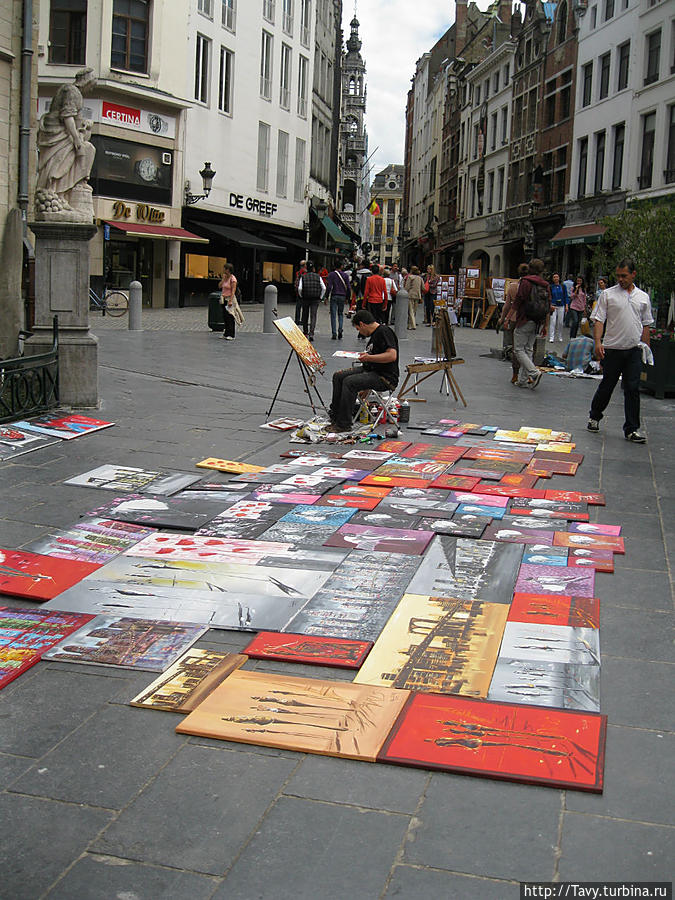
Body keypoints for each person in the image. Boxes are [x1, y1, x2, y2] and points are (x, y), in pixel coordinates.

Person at [587, 258, 653, 443]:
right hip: (613, 349)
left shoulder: (643, 297)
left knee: (632, 388)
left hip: (633, 350)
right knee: (608, 384)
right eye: (618, 276)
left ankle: (632, 429)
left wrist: (646, 348)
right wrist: (598, 342)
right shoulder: (608, 295)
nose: (620, 279)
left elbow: (646, 324)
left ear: (633, 274)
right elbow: (599, 320)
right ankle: (594, 415)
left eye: (624, 276)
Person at [36, 68, 97, 213]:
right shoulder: (72, 91)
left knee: (87, 149)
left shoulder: (70, 90)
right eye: (93, 83)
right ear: (87, 81)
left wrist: (83, 126)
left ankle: (69, 190)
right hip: (60, 134)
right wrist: (76, 139)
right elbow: (67, 116)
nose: (93, 87)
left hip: (64, 132)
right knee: (68, 156)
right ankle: (57, 192)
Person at [328, 309, 399, 431]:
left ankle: (344, 424)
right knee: (338, 376)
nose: (359, 332)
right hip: (371, 371)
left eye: (358, 329)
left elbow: (392, 355)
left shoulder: (384, 331)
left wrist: (369, 357)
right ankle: (336, 416)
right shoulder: (374, 335)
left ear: (362, 324)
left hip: (385, 377)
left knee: (349, 382)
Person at [512, 258, 551, 389]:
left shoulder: (525, 282)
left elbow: (518, 300)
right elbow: (548, 307)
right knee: (528, 349)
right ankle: (523, 380)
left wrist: (507, 318)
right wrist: (545, 325)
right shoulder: (545, 285)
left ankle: (534, 372)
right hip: (538, 320)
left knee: (518, 349)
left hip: (524, 318)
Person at [499, 263, 529, 383]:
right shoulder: (533, 286)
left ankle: (515, 374)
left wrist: (502, 318)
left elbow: (507, 306)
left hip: (515, 320)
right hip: (529, 319)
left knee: (516, 348)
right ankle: (529, 374)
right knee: (529, 348)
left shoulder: (512, 286)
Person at [297, 261, 325, 340]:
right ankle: (311, 333)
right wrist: (320, 297)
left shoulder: (303, 277)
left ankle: (305, 331)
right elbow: (324, 288)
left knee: (305, 315)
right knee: (313, 315)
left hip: (306, 298)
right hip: (315, 298)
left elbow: (300, 288)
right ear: (313, 268)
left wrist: (301, 295)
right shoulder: (318, 277)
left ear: (306, 268)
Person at [325, 260, 350, 340]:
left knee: (333, 314)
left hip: (334, 295)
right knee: (340, 314)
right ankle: (340, 329)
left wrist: (326, 297)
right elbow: (348, 287)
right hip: (342, 296)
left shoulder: (331, 275)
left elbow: (329, 287)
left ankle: (334, 333)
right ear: (341, 266)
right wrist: (347, 298)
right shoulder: (345, 275)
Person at [219, 264, 244, 340]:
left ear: (228, 270)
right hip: (224, 298)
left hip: (230, 299)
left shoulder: (233, 279)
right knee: (225, 317)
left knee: (230, 317)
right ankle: (226, 333)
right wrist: (223, 280)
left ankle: (231, 334)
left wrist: (230, 301)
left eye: (225, 269)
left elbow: (233, 291)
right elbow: (220, 286)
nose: (223, 270)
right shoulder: (225, 277)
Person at [549, 273, 567, 343]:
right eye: (554, 277)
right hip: (553, 305)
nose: (556, 278)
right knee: (553, 321)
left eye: (557, 277)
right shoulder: (551, 287)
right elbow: (549, 296)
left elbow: (565, 296)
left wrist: (566, 305)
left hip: (561, 305)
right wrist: (550, 304)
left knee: (560, 322)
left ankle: (560, 336)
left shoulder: (563, 286)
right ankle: (551, 337)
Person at [294, 260, 307, 324]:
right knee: (304, 307)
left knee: (298, 306)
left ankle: (297, 319)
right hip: (304, 291)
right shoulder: (306, 273)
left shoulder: (298, 272)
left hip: (298, 291)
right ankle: (303, 320)